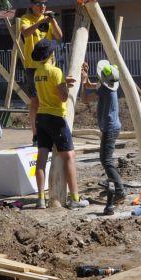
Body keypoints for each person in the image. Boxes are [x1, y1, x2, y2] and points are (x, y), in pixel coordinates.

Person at [30, 39, 86, 209]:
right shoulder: (56, 72)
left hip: (42, 117)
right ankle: (74, 199)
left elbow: (50, 88)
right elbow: (62, 97)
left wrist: (62, 84)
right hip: (56, 118)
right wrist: (65, 86)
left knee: (41, 159)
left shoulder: (37, 72)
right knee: (69, 156)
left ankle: (40, 199)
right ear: (51, 54)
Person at [17, 0, 62, 143]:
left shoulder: (48, 20)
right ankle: (36, 134)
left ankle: (53, 130)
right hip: (33, 67)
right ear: (32, 6)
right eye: (39, 4)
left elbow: (59, 35)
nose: (42, 6)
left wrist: (52, 20)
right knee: (35, 101)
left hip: (50, 66)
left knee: (53, 98)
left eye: (44, 4)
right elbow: (25, 32)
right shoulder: (26, 18)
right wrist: (39, 23)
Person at [82, 59, 125, 215]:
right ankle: (116, 186)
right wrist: (85, 78)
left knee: (106, 160)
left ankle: (119, 191)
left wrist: (82, 82)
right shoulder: (108, 86)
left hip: (110, 128)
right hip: (112, 126)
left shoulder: (104, 91)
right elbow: (92, 85)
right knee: (106, 159)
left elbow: (85, 98)